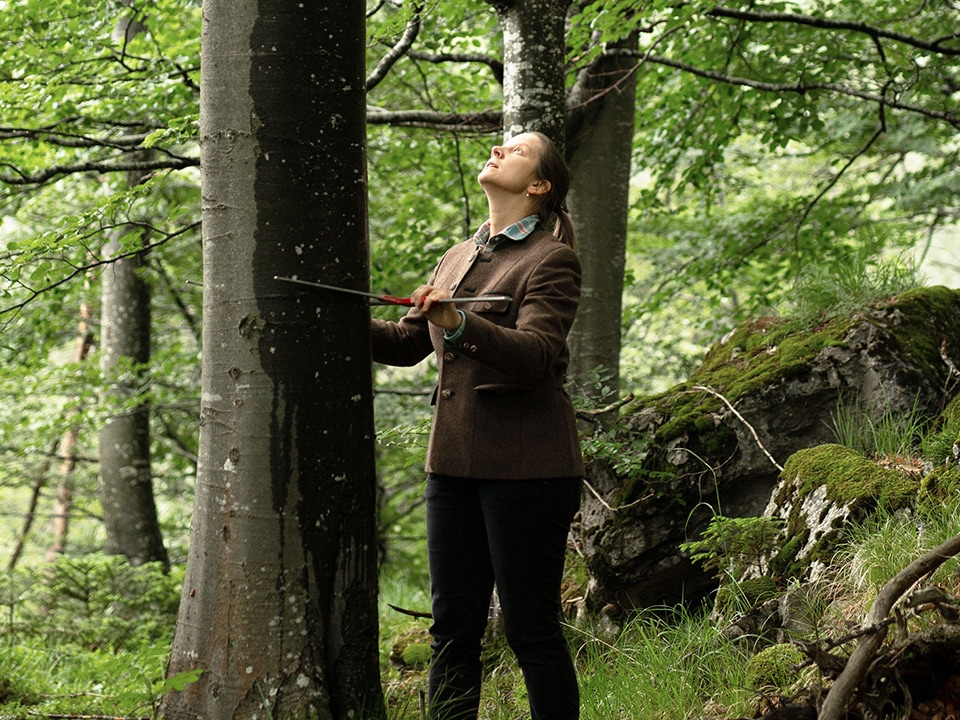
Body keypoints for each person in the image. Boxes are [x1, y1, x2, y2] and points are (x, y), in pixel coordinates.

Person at [371, 131, 583, 720]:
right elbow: (408, 344)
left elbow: (536, 354)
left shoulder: (551, 259)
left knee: (530, 629)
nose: (497, 151)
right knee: (452, 629)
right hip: (451, 468)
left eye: (516, 151)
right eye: (500, 147)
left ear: (539, 186)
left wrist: (458, 323)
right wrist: (335, 321)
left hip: (529, 469)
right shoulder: (458, 255)